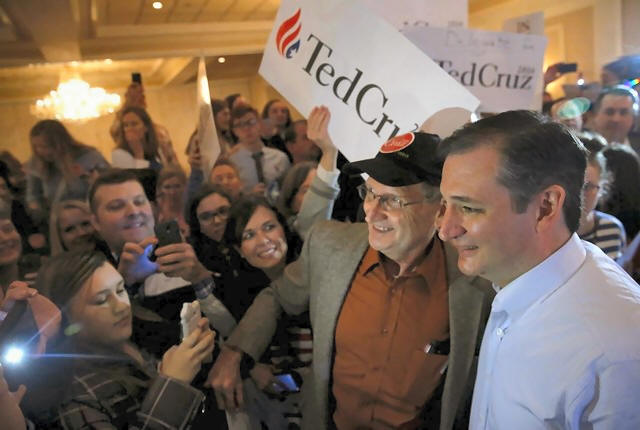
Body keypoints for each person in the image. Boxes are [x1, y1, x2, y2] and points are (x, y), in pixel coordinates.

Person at [210, 131, 494, 429]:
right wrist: (235, 352)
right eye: (370, 193)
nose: (372, 212)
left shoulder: (477, 281)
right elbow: (279, 297)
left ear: (439, 209)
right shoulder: (329, 246)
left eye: (392, 200)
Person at [436, 110, 640, 429]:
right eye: (445, 205)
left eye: (469, 208)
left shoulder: (615, 351)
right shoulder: (511, 280)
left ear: (545, 207)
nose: (446, 230)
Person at [33, 250, 215, 429]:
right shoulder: (75, 397)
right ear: (64, 317)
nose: (122, 306)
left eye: (120, 290)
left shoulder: (135, 340)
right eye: (101, 300)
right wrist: (172, 384)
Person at [26, 119, 109, 216]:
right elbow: (33, 196)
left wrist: (88, 177)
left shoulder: (88, 157)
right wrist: (38, 213)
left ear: (59, 143)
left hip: (91, 214)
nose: (40, 151)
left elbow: (108, 184)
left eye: (45, 146)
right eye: (36, 147)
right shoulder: (36, 164)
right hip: (58, 218)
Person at [576, 141, 626, 261]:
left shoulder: (612, 229)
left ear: (602, 189)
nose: (580, 193)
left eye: (588, 187)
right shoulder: (548, 231)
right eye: (576, 184)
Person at [228, 105, 290, 194]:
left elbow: (288, 190)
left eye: (251, 122)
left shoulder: (279, 158)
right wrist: (250, 195)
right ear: (234, 131)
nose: (246, 128)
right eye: (239, 125)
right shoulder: (232, 162)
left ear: (260, 124)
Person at [112, 106, 176, 171]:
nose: (129, 129)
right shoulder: (119, 154)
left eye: (134, 124)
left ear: (146, 127)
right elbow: (135, 176)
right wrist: (138, 153)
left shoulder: (154, 147)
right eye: (126, 125)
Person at [590, 85, 639, 149]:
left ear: (634, 117)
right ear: (595, 115)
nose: (616, 119)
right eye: (609, 112)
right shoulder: (581, 149)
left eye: (623, 113)